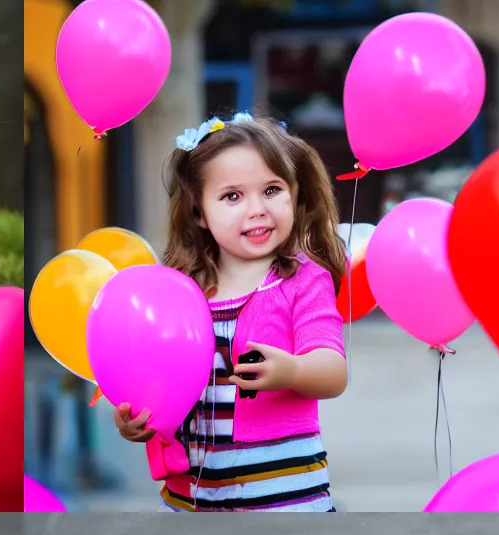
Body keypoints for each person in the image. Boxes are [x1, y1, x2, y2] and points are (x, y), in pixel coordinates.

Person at [112, 114, 349, 511]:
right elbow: (153, 378)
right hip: (190, 499)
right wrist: (134, 421)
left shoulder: (303, 280)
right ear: (198, 213)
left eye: (272, 190)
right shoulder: (180, 291)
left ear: (296, 195)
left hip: (282, 495)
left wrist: (292, 371)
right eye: (232, 197)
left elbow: (333, 372)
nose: (257, 209)